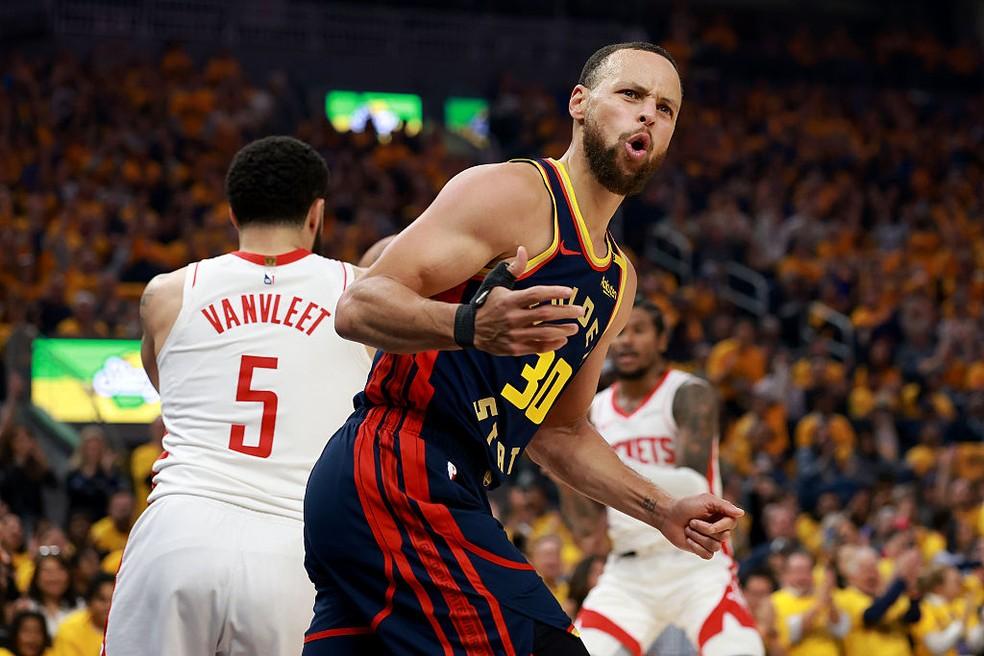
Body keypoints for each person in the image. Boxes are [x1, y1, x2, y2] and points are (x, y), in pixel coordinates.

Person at [304, 41, 742, 655]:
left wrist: (661, 508)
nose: (649, 115)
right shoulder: (514, 193)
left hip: (443, 483)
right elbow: (357, 306)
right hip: (398, 461)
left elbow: (560, 433)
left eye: (666, 109)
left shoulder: (617, 281)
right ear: (580, 104)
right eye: (632, 95)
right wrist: (469, 325)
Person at [102, 136, 374, 656]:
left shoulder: (165, 294)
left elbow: (170, 386)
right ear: (316, 213)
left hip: (178, 530)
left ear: (231, 212)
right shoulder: (361, 296)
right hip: (296, 549)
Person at [561, 299, 763, 655]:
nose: (625, 342)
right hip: (628, 569)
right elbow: (581, 503)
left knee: (739, 648)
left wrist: (595, 465)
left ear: (661, 340)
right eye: (618, 333)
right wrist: (570, 481)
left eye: (637, 331)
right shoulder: (595, 408)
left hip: (694, 561)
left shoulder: (688, 393)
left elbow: (692, 485)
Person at [771, 550, 849, 655]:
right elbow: (793, 633)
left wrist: (830, 605)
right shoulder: (776, 600)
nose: (803, 576)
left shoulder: (824, 595)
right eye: (798, 571)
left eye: (807, 571)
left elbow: (841, 630)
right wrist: (818, 606)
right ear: (786, 574)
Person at [51, 574, 113, 656]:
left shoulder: (131, 628)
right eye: (101, 599)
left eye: (113, 600)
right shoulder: (70, 628)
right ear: (89, 602)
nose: (108, 606)